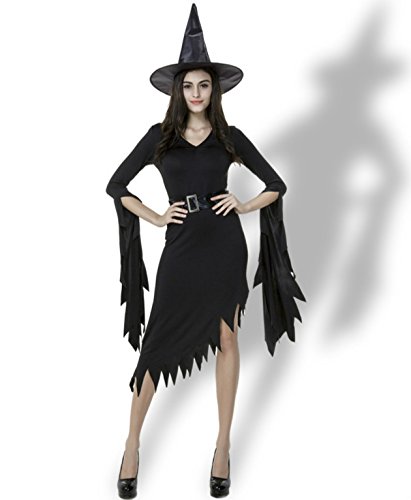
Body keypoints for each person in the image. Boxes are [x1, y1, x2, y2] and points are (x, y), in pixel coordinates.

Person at [106, 4, 305, 499]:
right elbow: (116, 185)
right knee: (155, 344)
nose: (196, 93)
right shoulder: (159, 139)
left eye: (204, 85)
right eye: (189, 86)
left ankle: (222, 446)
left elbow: (276, 185)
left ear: (214, 91)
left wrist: (242, 204)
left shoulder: (229, 138)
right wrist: (155, 216)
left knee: (228, 337)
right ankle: (131, 445)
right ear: (178, 91)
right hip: (180, 248)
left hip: (223, 246)